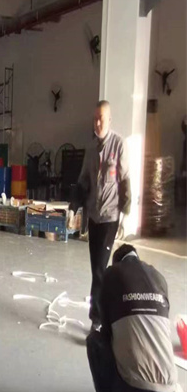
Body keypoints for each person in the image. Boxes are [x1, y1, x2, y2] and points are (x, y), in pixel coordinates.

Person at [86, 244, 176, 392]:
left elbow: (106, 330)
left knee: (95, 342)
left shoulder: (112, 275)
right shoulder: (158, 277)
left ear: (117, 262)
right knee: (150, 344)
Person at [74, 101, 131, 328]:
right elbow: (83, 181)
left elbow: (125, 180)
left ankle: (97, 320)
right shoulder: (90, 149)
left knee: (99, 269)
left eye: (101, 119)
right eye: (95, 118)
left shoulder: (119, 145)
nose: (97, 123)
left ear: (109, 120)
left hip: (110, 217)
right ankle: (105, 314)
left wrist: (125, 214)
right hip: (94, 217)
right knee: (96, 269)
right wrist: (74, 208)